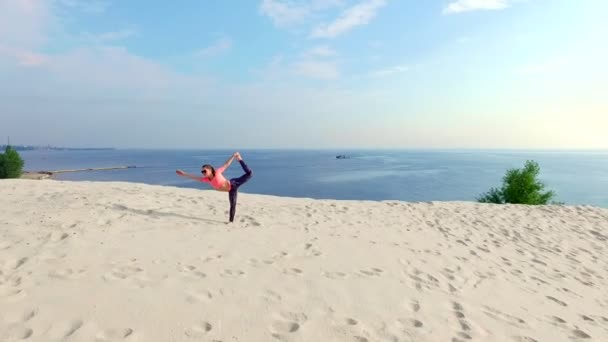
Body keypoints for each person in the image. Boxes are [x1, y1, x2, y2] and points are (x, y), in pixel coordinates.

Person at [176, 152, 253, 223]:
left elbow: (226, 164)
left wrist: (233, 156)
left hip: (233, 184)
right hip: (231, 190)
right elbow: (195, 177)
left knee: (249, 174)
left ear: (209, 170)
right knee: (232, 204)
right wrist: (184, 174)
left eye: (204, 171)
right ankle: (231, 222)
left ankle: (239, 158)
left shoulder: (217, 172)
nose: (203, 173)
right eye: (202, 172)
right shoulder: (206, 179)